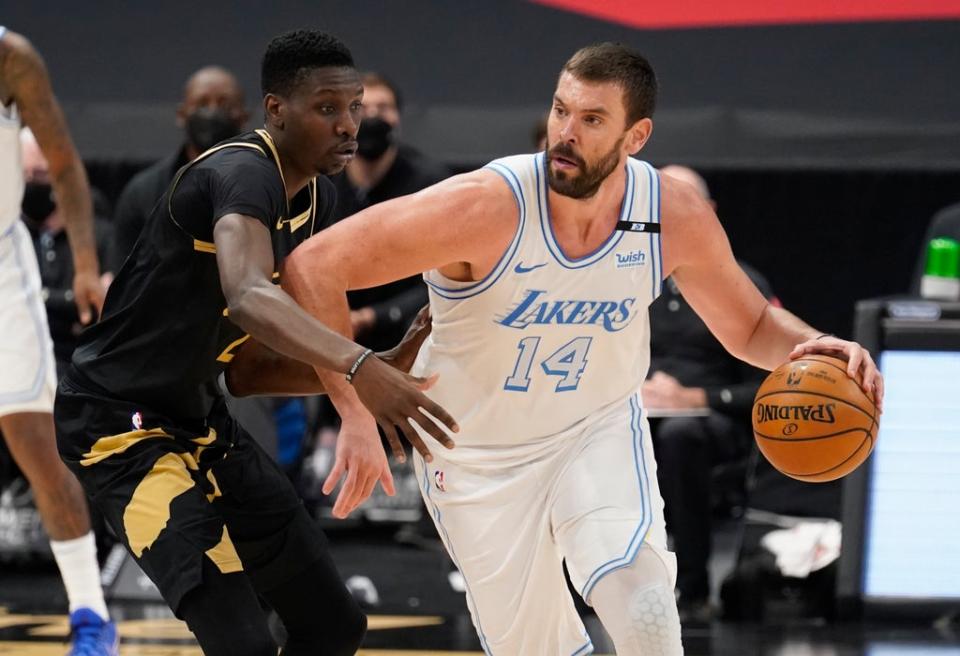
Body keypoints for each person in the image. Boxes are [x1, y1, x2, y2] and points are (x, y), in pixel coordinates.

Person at [280, 42, 884, 655]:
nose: (565, 134)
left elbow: (751, 326)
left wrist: (816, 344)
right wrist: (354, 409)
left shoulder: (671, 213)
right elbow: (314, 266)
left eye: (592, 120)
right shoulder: (483, 206)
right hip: (474, 454)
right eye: (560, 110)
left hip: (591, 430)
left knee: (648, 618)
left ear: (636, 136)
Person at [54, 30, 457, 656]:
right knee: (241, 642)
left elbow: (246, 371)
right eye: (328, 109)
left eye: (354, 108)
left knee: (333, 625)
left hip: (201, 417)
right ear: (275, 110)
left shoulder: (316, 192)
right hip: (119, 428)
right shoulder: (243, 171)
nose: (349, 126)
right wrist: (356, 365)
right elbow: (245, 295)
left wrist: (376, 371)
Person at [0, 26, 116, 655]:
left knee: (36, 447)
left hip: (2, 271)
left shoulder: (10, 58)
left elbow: (66, 164)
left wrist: (82, 264)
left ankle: (91, 615)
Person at [646, 164, 776, 622]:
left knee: (680, 436)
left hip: (713, 421)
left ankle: (692, 588)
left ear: (710, 212)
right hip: (631, 411)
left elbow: (768, 385)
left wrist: (697, 398)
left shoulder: (741, 283)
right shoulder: (625, 278)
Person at [329, 71, 449, 352]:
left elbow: (446, 274)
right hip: (335, 333)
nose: (372, 117)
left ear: (398, 119)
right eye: (361, 109)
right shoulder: (321, 184)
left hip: (407, 330)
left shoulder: (430, 184)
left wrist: (372, 317)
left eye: (383, 108)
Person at [111, 65, 248, 269]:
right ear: (181, 114)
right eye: (202, 103)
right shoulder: (142, 192)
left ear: (244, 117)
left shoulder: (272, 183)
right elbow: (125, 276)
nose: (212, 112)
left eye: (224, 104)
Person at [21, 127, 115, 374]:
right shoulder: (10, 237)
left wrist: (36, 298)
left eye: (40, 175)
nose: (31, 183)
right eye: (24, 176)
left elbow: (104, 307)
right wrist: (70, 302)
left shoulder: (100, 235)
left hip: (82, 366)